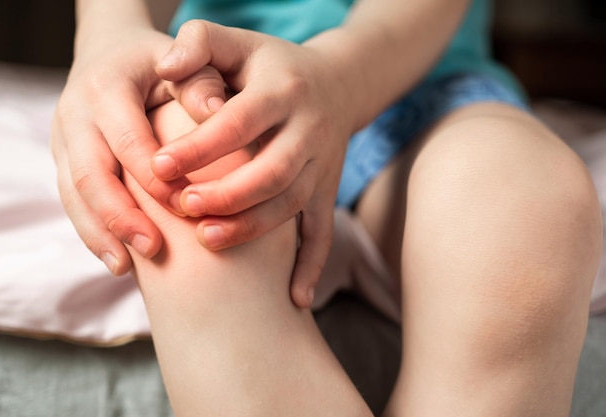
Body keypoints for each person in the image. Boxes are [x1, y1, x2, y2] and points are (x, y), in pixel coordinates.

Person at [51, 0, 603, 416]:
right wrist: (109, 34)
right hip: (219, 84)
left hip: (421, 83)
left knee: (523, 202)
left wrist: (339, 79)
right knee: (182, 174)